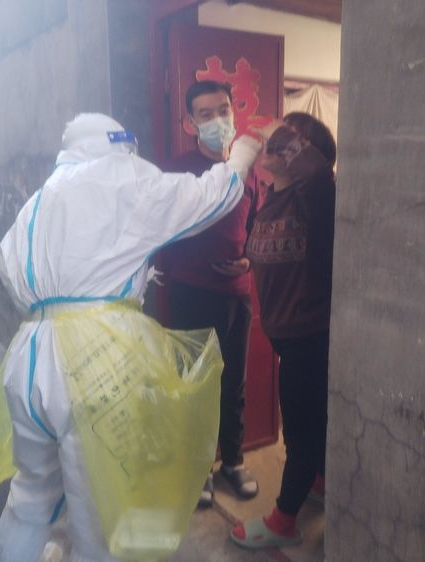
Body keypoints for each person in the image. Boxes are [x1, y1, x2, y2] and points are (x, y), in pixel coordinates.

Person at [0, 112, 261, 562]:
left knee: (32, 495)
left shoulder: (37, 202)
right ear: (118, 144)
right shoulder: (122, 178)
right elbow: (208, 197)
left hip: (28, 356)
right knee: (103, 510)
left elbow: (7, 270)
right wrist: (244, 153)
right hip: (97, 361)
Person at [230, 112, 336, 549]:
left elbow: (318, 174)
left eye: (290, 142)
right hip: (286, 336)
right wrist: (245, 262)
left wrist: (279, 132)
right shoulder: (272, 195)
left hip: (311, 335)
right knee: (310, 422)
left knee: (300, 431)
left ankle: (284, 521)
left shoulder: (317, 198)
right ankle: (321, 481)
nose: (274, 147)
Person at [159, 80, 260, 506]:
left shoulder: (248, 172)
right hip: (190, 293)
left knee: (234, 382)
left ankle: (232, 462)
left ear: (233, 112)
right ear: (189, 122)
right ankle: (198, 468)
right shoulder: (178, 172)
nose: (218, 120)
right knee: (193, 386)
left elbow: (255, 229)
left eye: (223, 110)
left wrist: (249, 260)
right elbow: (164, 229)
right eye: (205, 114)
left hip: (237, 294)